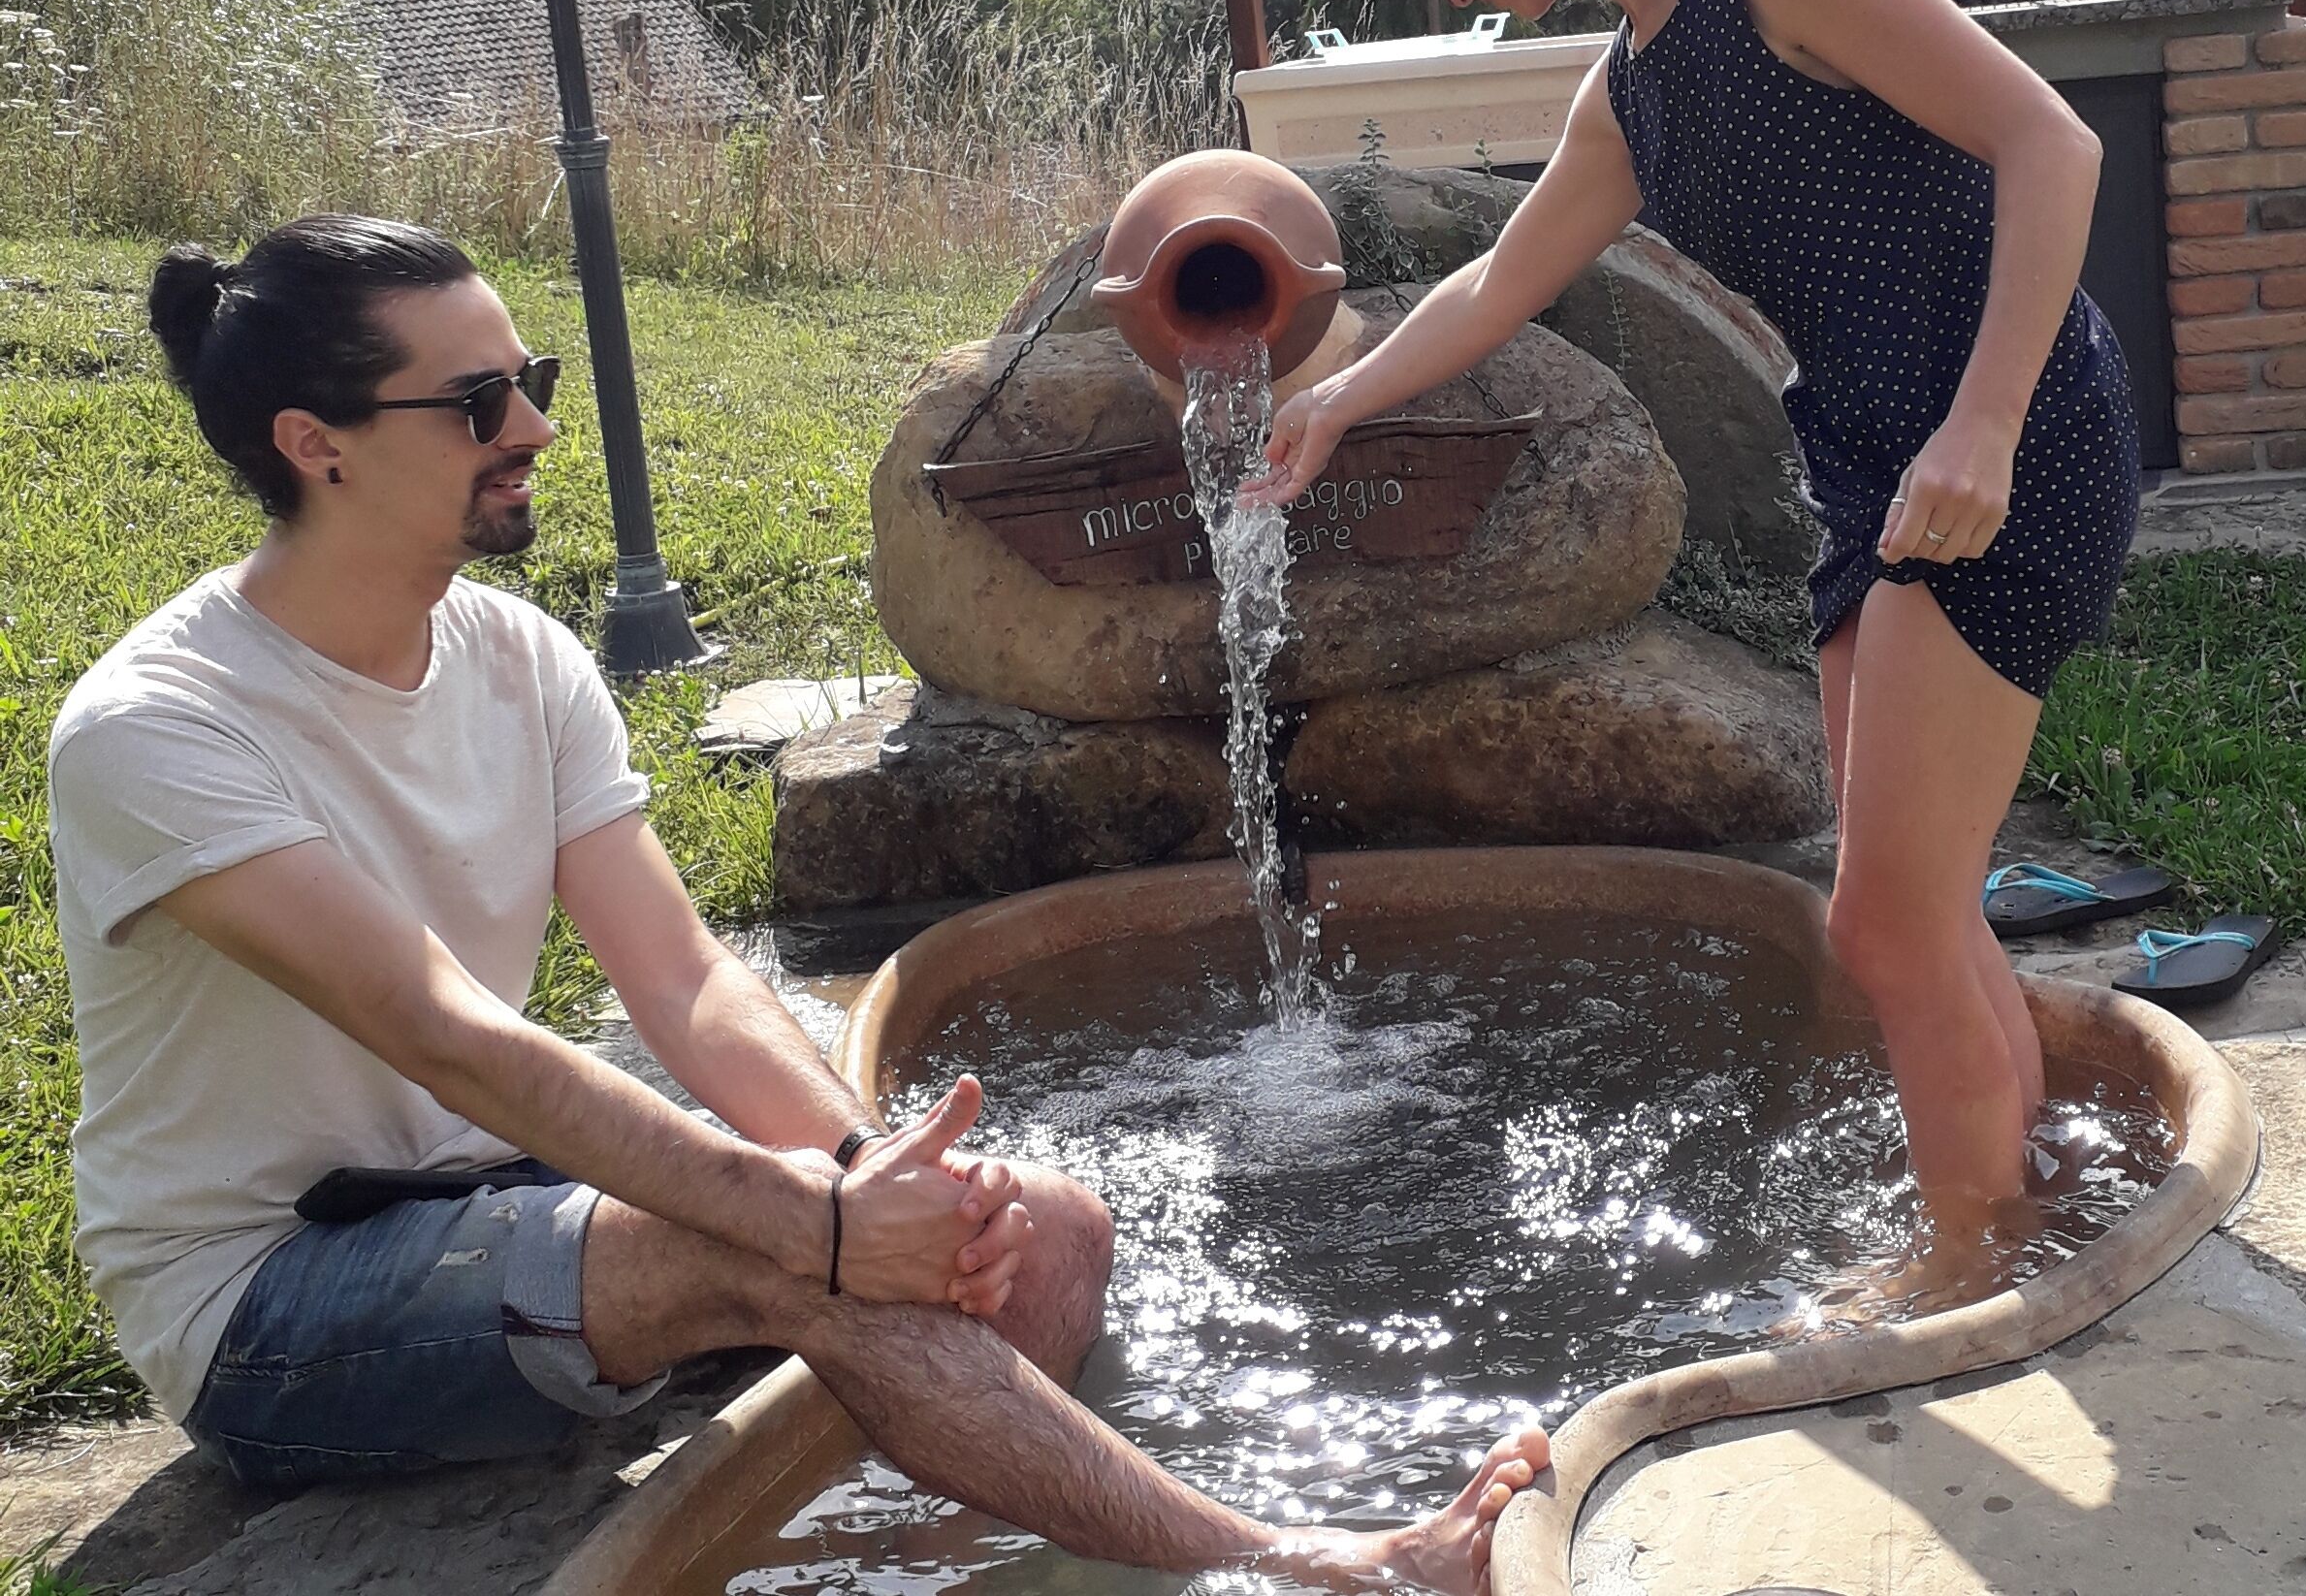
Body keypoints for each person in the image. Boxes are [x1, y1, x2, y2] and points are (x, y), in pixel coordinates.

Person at [49, 214, 1540, 1587]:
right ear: (315, 443)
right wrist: (823, 1227)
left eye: (532, 380)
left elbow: (685, 982)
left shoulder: (517, 658)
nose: (538, 428)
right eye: (478, 404)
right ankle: (1306, 1569)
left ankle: (970, 1549)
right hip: (271, 1303)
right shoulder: (163, 731)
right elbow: (452, 1038)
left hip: (500, 1196)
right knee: (804, 1265)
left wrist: (873, 1173)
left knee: (1047, 1230)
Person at [1253, 0, 2141, 1230]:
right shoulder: (1634, 89)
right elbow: (1497, 285)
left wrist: (1984, 425)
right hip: (1877, 466)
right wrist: (1334, 397)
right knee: (1909, 918)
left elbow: (2050, 144)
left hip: (2009, 435)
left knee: (1888, 924)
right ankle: (2024, 1200)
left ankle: (1967, 1269)